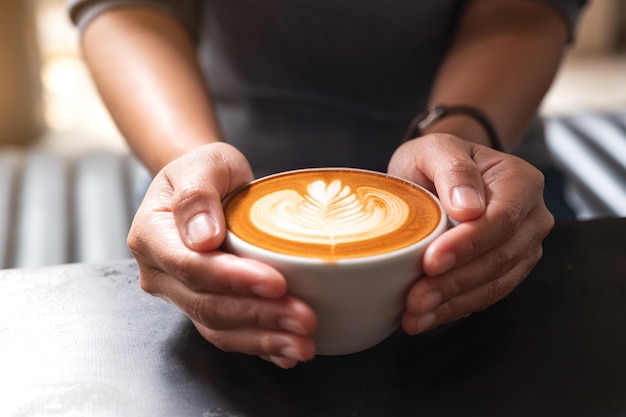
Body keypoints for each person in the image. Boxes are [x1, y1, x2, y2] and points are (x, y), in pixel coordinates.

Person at [68, 0, 586, 368]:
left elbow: (522, 8)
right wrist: (189, 165)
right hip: (203, 170)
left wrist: (459, 141)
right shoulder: (195, 180)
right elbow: (128, 10)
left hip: (484, 174)